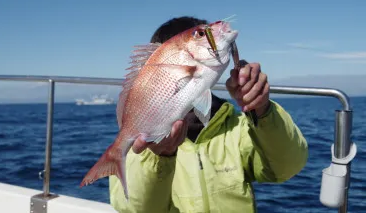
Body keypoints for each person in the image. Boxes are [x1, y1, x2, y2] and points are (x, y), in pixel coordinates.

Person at [109, 16, 308, 213]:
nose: (213, 30)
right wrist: (161, 158)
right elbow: (133, 209)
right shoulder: (142, 144)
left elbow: (285, 169)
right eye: (201, 34)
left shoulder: (237, 128)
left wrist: (262, 110)